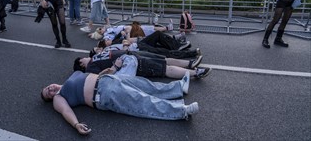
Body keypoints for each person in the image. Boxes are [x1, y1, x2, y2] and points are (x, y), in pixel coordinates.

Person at [41, 71, 200, 135]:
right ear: (51, 98)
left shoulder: (70, 78)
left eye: (47, 87)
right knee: (141, 101)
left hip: (109, 79)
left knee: (145, 85)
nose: (50, 89)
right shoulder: (59, 98)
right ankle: (181, 111)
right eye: (48, 93)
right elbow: (65, 111)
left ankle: (178, 88)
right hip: (103, 94)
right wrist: (76, 125)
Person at [74, 50, 211, 79]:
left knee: (164, 59)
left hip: (132, 54)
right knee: (165, 69)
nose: (87, 57)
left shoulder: (95, 58)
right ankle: (196, 73)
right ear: (81, 63)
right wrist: (115, 67)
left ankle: (190, 64)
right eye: (84, 58)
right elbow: (101, 79)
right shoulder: (90, 68)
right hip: (132, 63)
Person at [98, 31, 195, 59]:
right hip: (138, 47)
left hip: (139, 43)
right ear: (105, 46)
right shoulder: (112, 47)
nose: (107, 40)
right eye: (106, 41)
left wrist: (124, 34)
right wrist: (126, 38)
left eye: (106, 39)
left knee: (157, 34)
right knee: (161, 51)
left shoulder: (114, 39)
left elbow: (124, 34)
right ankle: (180, 50)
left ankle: (177, 46)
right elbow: (127, 43)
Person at [89, 21, 174, 40]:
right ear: (100, 32)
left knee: (150, 28)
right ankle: (168, 30)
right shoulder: (107, 35)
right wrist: (126, 32)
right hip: (130, 31)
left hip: (130, 28)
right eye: (100, 29)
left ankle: (167, 28)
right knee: (151, 31)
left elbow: (107, 25)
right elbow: (112, 40)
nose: (101, 28)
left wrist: (92, 34)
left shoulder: (108, 30)